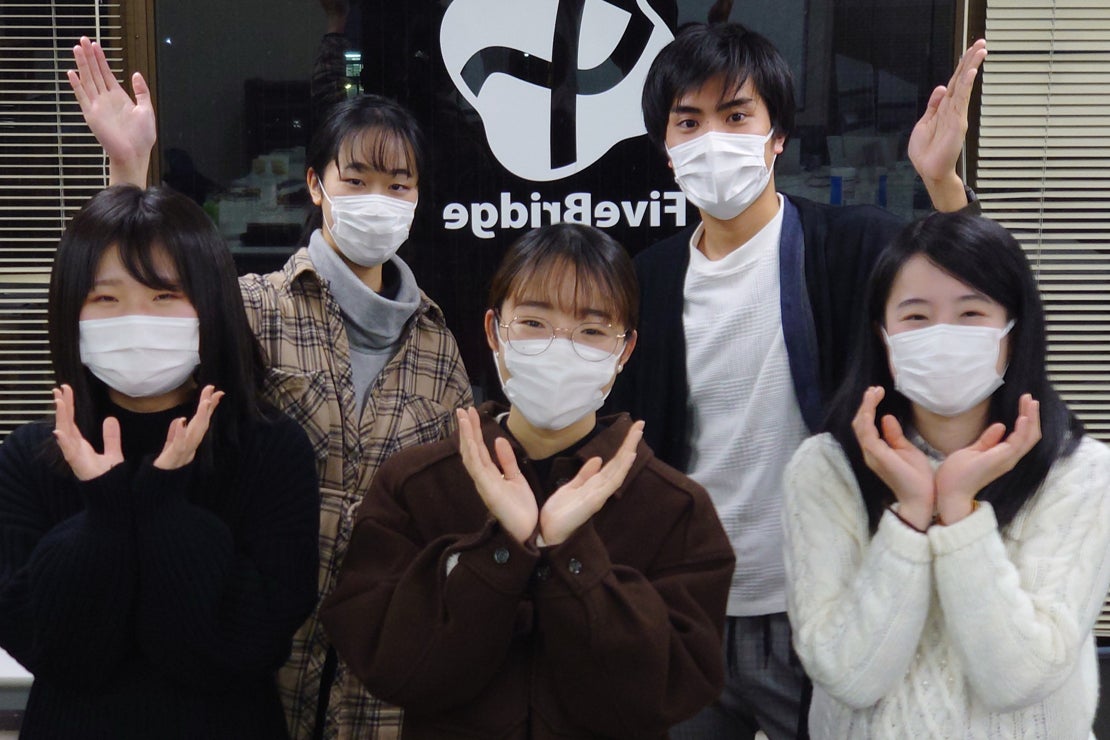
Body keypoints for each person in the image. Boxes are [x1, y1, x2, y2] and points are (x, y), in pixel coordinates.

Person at [68, 37, 473, 740]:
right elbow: (139, 353)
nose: (378, 201)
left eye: (398, 185)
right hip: (248, 653)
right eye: (356, 180)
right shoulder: (252, 306)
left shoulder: (439, 344)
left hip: (379, 676)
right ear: (315, 185)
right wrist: (128, 171)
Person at [604, 21, 988, 739]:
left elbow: (980, 306)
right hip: (688, 612)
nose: (712, 139)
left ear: (777, 135)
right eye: (689, 121)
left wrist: (942, 185)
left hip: (825, 608)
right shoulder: (646, 279)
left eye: (736, 116)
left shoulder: (854, 245)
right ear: (665, 146)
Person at [319, 223, 736, 739]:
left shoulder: (674, 508)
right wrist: (500, 552)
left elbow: (661, 694)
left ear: (625, 349)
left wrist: (571, 551)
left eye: (591, 331)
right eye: (534, 323)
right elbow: (393, 669)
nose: (560, 348)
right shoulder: (415, 486)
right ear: (494, 330)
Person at [0, 185, 320, 739]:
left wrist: (163, 508)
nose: (136, 320)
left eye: (165, 295)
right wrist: (104, 517)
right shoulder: (28, 458)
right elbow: (60, 655)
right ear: (69, 311)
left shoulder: (272, 449)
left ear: (211, 304)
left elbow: (244, 644)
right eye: (105, 299)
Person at [782, 210, 1110, 738]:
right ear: (883, 335)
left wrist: (959, 513)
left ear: (1013, 330)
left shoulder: (1081, 473)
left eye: (971, 312)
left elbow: (1021, 678)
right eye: (915, 316)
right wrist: (910, 517)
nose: (942, 334)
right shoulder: (825, 467)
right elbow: (847, 676)